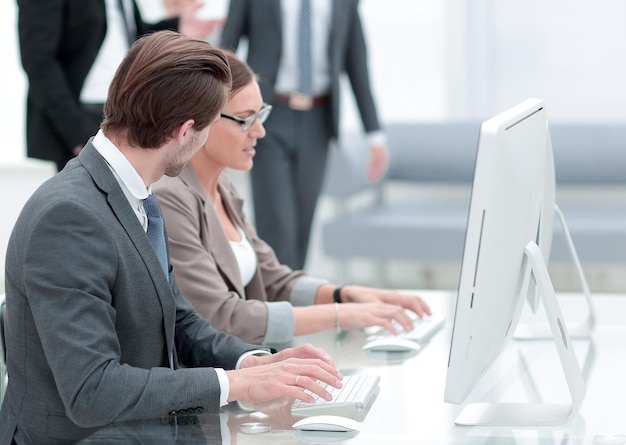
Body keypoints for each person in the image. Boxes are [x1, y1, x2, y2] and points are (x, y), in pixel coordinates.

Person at [0, 31, 342, 445]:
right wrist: (234, 386)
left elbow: (178, 319)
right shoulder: (69, 216)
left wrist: (250, 362)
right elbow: (92, 390)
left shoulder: (136, 189)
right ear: (185, 132)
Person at [153, 51, 431, 345]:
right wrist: (340, 315)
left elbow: (273, 279)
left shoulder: (222, 183)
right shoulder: (170, 198)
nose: (260, 131)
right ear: (198, 122)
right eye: (246, 120)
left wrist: (343, 294)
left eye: (261, 115)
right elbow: (223, 316)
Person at [219, 0, 388, 270]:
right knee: (277, 222)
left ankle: (293, 300)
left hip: (318, 121)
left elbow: (356, 64)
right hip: (267, 117)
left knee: (303, 223)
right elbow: (227, 49)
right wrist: (215, 113)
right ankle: (279, 304)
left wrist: (374, 137)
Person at [16, 0, 224, 171]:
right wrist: (76, 133)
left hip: (128, 111)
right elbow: (39, 63)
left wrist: (176, 25)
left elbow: (127, 38)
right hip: (84, 117)